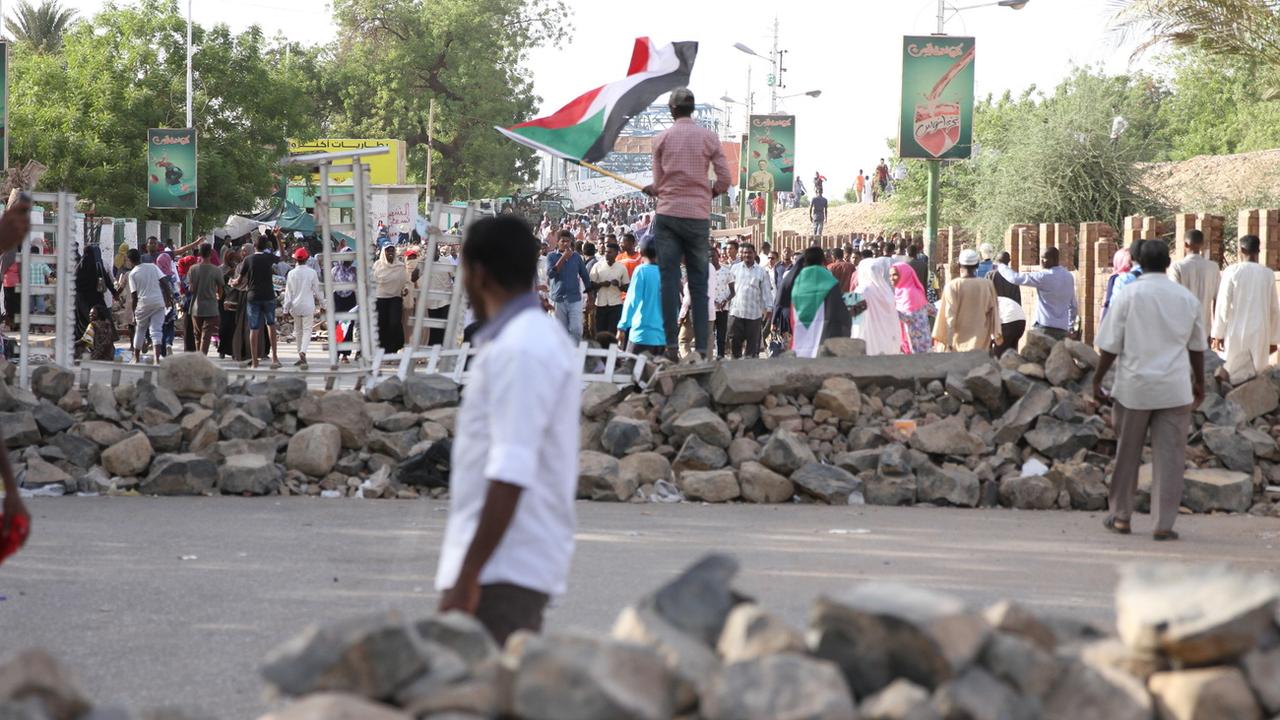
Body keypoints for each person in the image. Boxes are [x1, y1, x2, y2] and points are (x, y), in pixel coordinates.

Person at [435, 214, 579, 645]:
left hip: (502, 571)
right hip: (507, 565)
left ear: (477, 274)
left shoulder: (521, 348)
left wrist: (468, 574)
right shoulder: (527, 339)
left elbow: (511, 469)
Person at [1094, 239, 1206, 541]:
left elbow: (1109, 346)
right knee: (1170, 458)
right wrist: (1200, 382)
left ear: (1139, 263)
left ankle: (1121, 517)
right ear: (1168, 264)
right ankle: (1163, 524)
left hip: (1134, 388)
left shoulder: (1128, 295)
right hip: (1174, 388)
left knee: (1127, 453)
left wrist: (1097, 380)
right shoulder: (1186, 299)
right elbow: (1197, 348)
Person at [643, 88, 731, 361]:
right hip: (696, 216)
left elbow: (658, 184)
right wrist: (709, 192)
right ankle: (703, 350)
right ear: (692, 109)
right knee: (698, 282)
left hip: (668, 216)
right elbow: (725, 179)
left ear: (671, 110)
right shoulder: (708, 137)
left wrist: (653, 189)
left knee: (669, 281)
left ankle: (671, 347)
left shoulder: (661, 139)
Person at [1212, 234, 1280, 385]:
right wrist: (1274, 339)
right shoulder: (1267, 274)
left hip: (1235, 330)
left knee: (1233, 372)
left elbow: (1223, 304)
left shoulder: (1232, 271)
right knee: (1257, 372)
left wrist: (1218, 334)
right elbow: (1274, 308)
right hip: (1260, 331)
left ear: (1240, 249)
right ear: (1258, 251)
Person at [995, 246, 1077, 340]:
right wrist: (1070, 327)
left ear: (1054, 259)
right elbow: (1073, 305)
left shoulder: (1044, 276)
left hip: (1044, 328)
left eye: (1044, 258)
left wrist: (1001, 265)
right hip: (1062, 330)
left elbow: (1015, 278)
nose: (1041, 261)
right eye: (1041, 258)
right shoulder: (1068, 276)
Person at [787, 246, 851, 357]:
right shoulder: (827, 277)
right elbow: (839, 311)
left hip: (801, 332)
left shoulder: (799, 279)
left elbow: (793, 308)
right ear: (823, 259)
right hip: (823, 335)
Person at [933, 248, 1001, 352]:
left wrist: (948, 343)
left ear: (959, 265)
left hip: (957, 344)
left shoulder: (952, 286)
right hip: (981, 342)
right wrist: (995, 336)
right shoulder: (987, 285)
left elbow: (949, 316)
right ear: (978, 265)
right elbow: (994, 314)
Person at [239, 236, 282, 368]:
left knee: (254, 328)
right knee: (271, 325)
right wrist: (278, 238)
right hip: (268, 296)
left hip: (253, 297)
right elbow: (282, 255)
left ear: (254, 246)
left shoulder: (248, 259)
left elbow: (240, 280)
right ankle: (275, 358)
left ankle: (255, 361)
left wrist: (234, 282)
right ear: (266, 246)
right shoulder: (268, 258)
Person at [616, 241, 665, 355]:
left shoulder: (641, 271)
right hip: (662, 337)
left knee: (633, 371)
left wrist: (622, 326)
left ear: (641, 252)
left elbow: (632, 301)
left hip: (641, 335)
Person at [726, 243, 773, 359]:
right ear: (741, 254)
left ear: (754, 254)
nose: (747, 255)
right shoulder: (735, 269)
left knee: (751, 349)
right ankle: (735, 371)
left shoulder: (762, 272)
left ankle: (748, 373)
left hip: (754, 315)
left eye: (750, 253)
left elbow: (766, 292)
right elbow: (729, 289)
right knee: (735, 345)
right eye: (745, 253)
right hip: (736, 313)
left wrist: (769, 308)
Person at [127, 248, 172, 364]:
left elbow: (134, 296)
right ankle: (157, 359)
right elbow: (165, 283)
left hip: (143, 305)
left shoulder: (132, 274)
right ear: (140, 257)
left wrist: (134, 313)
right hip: (158, 302)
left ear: (129, 260)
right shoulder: (153, 266)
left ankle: (136, 358)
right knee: (156, 331)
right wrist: (168, 300)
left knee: (140, 330)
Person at [545, 230, 591, 343]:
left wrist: (590, 296)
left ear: (571, 242)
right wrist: (564, 257)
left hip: (574, 299)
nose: (565, 244)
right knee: (561, 332)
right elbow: (551, 274)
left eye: (568, 241)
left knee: (576, 329)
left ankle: (575, 354)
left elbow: (585, 276)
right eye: (563, 241)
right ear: (557, 242)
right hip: (558, 299)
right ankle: (564, 356)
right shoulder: (551, 256)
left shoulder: (576, 257)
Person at [1170, 229, 1220, 332]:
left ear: (1185, 244)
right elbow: (1218, 299)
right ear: (1202, 244)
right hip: (1204, 329)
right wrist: (1216, 330)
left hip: (1182, 329)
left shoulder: (1177, 267)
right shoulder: (1213, 267)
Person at [851, 257, 901, 356]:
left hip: (867, 340)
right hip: (887, 341)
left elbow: (855, 320)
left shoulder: (861, 291)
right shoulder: (887, 291)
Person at [282, 247, 322, 368]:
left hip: (295, 306)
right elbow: (317, 291)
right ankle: (303, 352)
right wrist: (323, 304)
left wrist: (285, 310)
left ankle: (301, 355)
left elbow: (288, 293)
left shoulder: (291, 273)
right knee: (307, 330)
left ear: (295, 260)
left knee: (298, 331)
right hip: (308, 305)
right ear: (306, 259)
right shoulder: (312, 273)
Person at [185, 244, 223, 356]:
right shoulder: (216, 270)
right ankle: (202, 358)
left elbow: (191, 289)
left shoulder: (193, 269)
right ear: (210, 254)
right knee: (206, 336)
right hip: (211, 307)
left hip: (196, 307)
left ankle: (198, 358)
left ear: (199, 254)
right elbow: (220, 290)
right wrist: (218, 297)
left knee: (197, 335)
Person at [73, 244, 117, 341]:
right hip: (95, 299)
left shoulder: (79, 267)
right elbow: (107, 281)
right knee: (100, 320)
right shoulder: (98, 265)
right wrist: (115, 293)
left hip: (82, 300)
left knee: (84, 323)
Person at [373, 245, 409, 354]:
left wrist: (406, 289)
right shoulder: (377, 266)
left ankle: (395, 347)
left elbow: (406, 281)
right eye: (388, 251)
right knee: (382, 324)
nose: (390, 253)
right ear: (383, 252)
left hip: (395, 298)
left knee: (394, 323)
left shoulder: (400, 266)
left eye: (392, 251)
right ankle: (384, 350)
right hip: (381, 298)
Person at [989, 252, 1026, 358]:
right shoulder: (1013, 277)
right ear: (1009, 261)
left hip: (998, 316)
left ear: (996, 261)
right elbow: (1017, 301)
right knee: (1012, 352)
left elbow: (987, 298)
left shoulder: (991, 275)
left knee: (997, 352)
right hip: (1014, 317)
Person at [589, 241, 629, 336]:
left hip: (616, 305)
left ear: (616, 253)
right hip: (600, 304)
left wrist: (618, 285)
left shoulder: (622, 268)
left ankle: (611, 350)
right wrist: (601, 284)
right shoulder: (597, 266)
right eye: (606, 252)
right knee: (600, 332)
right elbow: (590, 285)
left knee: (612, 333)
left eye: (610, 252)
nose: (607, 254)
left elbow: (627, 287)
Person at [892, 261, 931, 355]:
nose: (891, 278)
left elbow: (910, 317)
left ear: (904, 275)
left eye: (895, 275)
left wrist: (891, 311)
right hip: (909, 341)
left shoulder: (909, 293)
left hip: (917, 343)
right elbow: (928, 308)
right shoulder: (900, 291)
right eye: (890, 275)